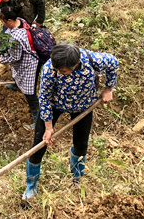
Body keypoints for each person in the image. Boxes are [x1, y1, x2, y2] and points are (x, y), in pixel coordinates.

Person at [22, 43, 118, 200]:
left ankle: (77, 180)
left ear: (76, 64)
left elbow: (113, 62)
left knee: (81, 144)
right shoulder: (49, 69)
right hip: (56, 104)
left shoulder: (93, 60)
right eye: (57, 69)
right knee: (38, 144)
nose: (59, 72)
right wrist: (48, 127)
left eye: (63, 71)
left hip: (83, 106)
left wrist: (108, 88)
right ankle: (31, 186)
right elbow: (44, 98)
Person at [0, 7, 39, 130]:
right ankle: (16, 84)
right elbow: (6, 35)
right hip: (23, 63)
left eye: (3, 22)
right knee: (17, 75)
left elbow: (15, 57)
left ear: (9, 20)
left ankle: (38, 120)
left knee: (29, 93)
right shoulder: (19, 21)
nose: (2, 24)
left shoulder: (17, 38)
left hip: (29, 64)